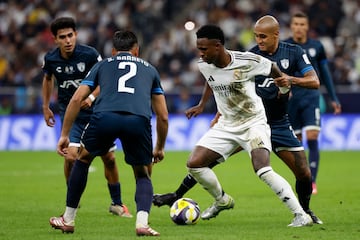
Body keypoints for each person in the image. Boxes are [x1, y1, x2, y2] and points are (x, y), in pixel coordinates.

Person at [153, 16, 323, 224]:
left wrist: (287, 83)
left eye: (263, 36)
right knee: (202, 161)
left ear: (275, 35)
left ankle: (305, 212)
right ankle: (203, 197)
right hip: (233, 122)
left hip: (270, 122)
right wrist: (207, 107)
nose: (259, 41)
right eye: (256, 36)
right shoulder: (243, 55)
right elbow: (214, 78)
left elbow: (313, 81)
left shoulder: (288, 53)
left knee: (303, 174)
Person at [49, 30, 168, 236]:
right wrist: (159, 147)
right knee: (142, 173)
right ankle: (142, 224)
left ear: (113, 51)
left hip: (105, 117)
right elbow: (163, 116)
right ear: (137, 51)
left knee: (83, 160)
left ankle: (68, 219)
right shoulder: (151, 70)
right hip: (137, 120)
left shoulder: (102, 65)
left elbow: (76, 99)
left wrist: (64, 134)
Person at [42, 17, 132, 217]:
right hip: (71, 114)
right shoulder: (51, 59)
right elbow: (48, 79)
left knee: (108, 158)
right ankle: (72, 197)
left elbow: (106, 78)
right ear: (55, 39)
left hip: (96, 111)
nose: (67, 40)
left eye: (70, 35)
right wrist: (46, 105)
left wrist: (92, 96)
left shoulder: (90, 54)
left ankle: (117, 203)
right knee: (71, 156)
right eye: (62, 37)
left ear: (76, 35)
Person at [285, 11, 342, 194]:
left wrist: (333, 98)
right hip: (292, 100)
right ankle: (302, 179)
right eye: (296, 24)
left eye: (302, 24)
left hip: (312, 98)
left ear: (307, 27)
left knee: (312, 137)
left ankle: (313, 181)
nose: (299, 27)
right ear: (292, 26)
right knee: (298, 143)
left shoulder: (317, 46)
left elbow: (324, 74)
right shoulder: (285, 46)